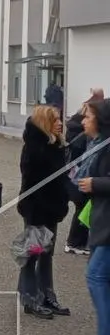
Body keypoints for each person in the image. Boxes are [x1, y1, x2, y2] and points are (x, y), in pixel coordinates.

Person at [17, 104, 70, 319]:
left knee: (47, 254)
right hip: (37, 208)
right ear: (44, 123)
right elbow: (32, 180)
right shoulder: (34, 148)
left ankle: (47, 294)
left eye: (59, 119)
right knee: (33, 255)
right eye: (55, 120)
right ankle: (30, 298)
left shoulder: (56, 145)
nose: (59, 123)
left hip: (52, 208)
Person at [78, 99, 110, 335]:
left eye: (88, 116)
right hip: (101, 220)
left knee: (96, 275)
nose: (83, 121)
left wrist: (96, 184)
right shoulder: (98, 144)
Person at [65, 89, 104, 256]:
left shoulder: (99, 142)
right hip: (80, 177)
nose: (84, 121)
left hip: (80, 177)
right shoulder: (90, 138)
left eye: (88, 117)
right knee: (82, 209)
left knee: (83, 209)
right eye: (86, 116)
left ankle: (78, 242)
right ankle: (75, 242)